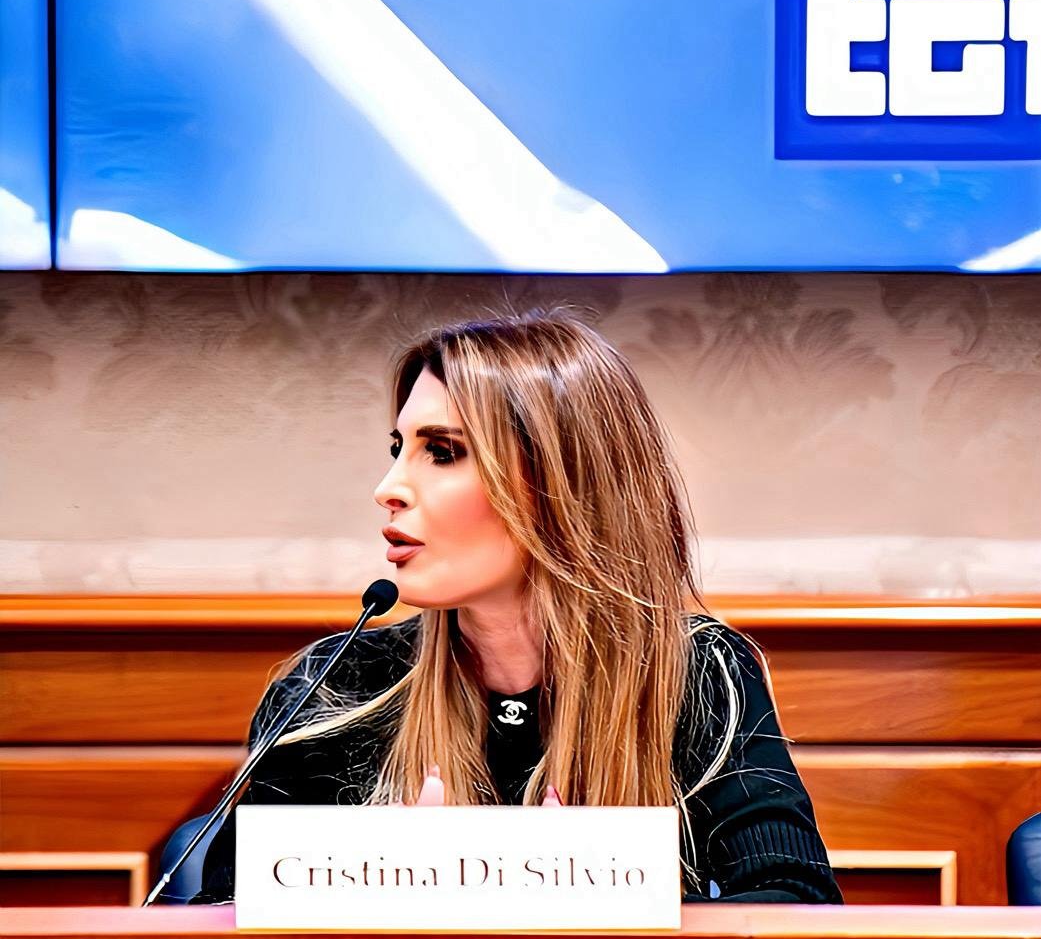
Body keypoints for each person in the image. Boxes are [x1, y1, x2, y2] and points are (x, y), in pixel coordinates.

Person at [192, 309, 842, 906]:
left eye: (442, 452)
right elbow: (215, 930)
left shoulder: (694, 668)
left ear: (560, 486)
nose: (387, 488)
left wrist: (582, 898)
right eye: (398, 449)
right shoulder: (337, 684)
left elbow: (795, 908)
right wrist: (388, 894)